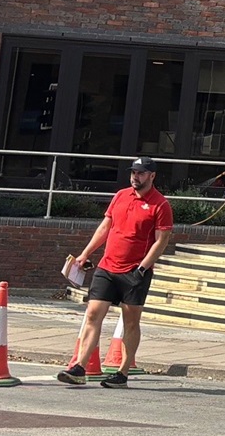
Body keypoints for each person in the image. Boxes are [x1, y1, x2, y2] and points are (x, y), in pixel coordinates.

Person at [58, 157, 176, 387]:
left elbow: (161, 241)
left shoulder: (160, 205)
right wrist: (85, 254)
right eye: (133, 172)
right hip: (107, 266)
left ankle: (122, 373)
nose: (135, 177)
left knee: (131, 321)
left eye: (141, 173)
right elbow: (105, 227)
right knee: (93, 314)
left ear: (152, 176)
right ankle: (79, 367)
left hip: (135, 271)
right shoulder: (121, 195)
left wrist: (142, 267)